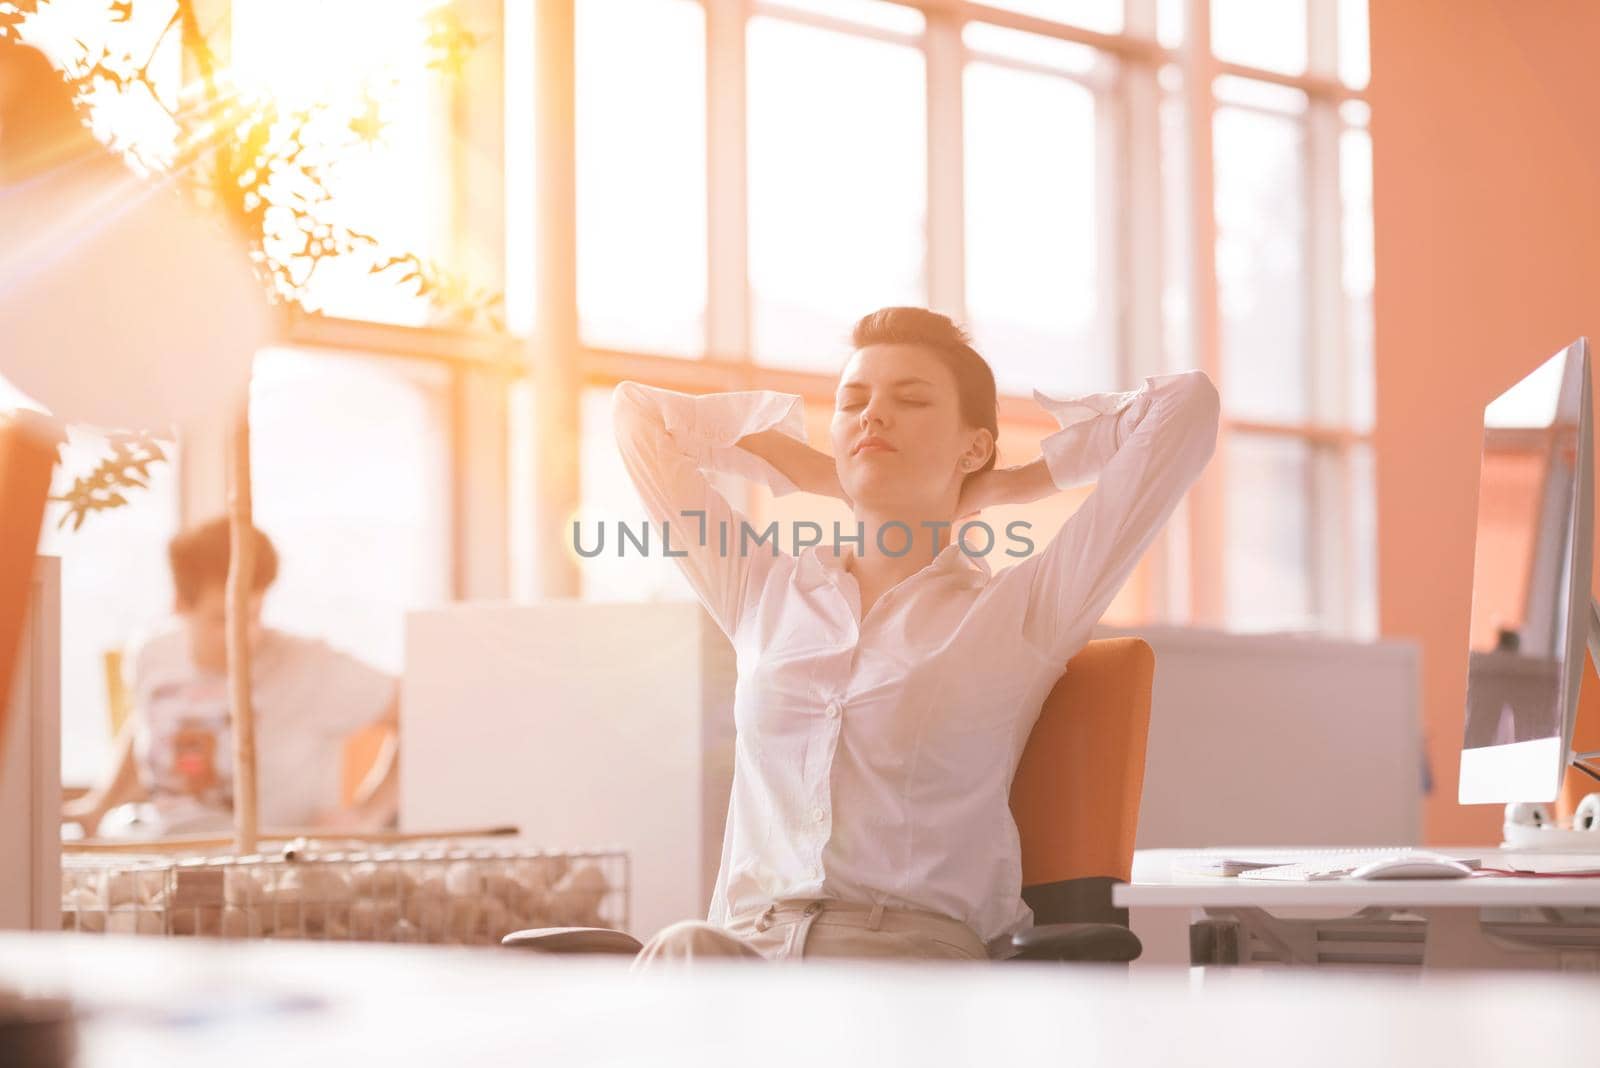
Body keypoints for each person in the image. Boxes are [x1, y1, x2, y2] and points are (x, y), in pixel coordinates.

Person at [612, 306, 1219, 966]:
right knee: (683, 952)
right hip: (746, 948)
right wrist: (820, 473)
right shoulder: (763, 591)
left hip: (906, 958)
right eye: (854, 402)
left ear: (974, 445)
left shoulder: (1020, 610)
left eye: (911, 399)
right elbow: (638, 415)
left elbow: (1185, 409)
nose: (873, 415)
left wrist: (1012, 485)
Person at [62, 518, 400, 837]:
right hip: (168, 865)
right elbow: (146, 724)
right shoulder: (153, 653)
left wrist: (367, 814)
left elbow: (419, 710)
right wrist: (99, 806)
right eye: (222, 620)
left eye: (253, 615)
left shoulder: (313, 667)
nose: (243, 635)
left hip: (279, 881)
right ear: (181, 604)